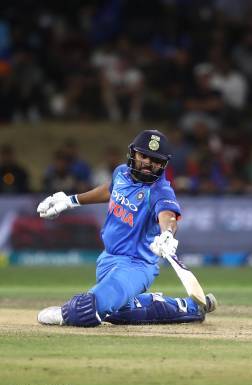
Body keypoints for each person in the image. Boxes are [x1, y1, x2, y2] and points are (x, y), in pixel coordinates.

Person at [36, 130, 216, 327]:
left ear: (163, 164)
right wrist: (71, 201)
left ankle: (69, 313)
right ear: (133, 154)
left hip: (135, 265)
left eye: (155, 160)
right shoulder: (121, 172)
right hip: (107, 259)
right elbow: (110, 189)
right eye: (144, 156)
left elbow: (168, 215)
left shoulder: (159, 190)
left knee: (85, 310)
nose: (148, 162)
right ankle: (189, 307)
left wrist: (167, 234)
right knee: (118, 313)